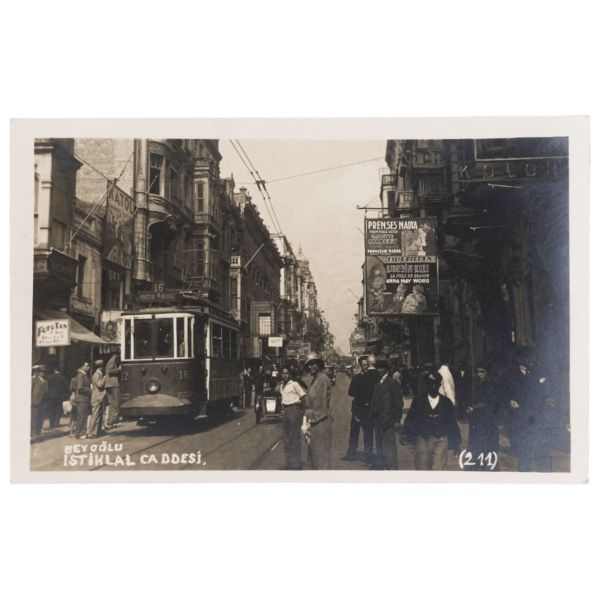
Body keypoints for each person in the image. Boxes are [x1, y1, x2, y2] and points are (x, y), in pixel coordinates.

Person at [403, 371, 461, 470]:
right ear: (426, 385)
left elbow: (452, 423)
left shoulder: (446, 402)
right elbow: (411, 419)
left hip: (441, 440)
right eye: (430, 384)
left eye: (436, 384)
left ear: (439, 385)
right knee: (422, 469)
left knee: (438, 470)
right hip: (423, 439)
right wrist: (409, 437)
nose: (433, 386)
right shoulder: (418, 400)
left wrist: (456, 443)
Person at [505, 355, 550, 472]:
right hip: (523, 417)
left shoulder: (537, 375)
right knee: (526, 449)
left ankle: (541, 472)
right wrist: (512, 401)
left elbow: (541, 396)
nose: (522, 371)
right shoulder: (516, 376)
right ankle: (525, 470)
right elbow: (511, 393)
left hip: (535, 416)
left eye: (523, 368)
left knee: (538, 449)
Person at [369, 355, 404, 470]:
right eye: (377, 368)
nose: (379, 370)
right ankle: (384, 469)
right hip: (378, 421)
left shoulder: (393, 383)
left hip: (388, 422)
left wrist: (397, 420)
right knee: (381, 449)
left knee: (389, 450)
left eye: (381, 368)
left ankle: (392, 471)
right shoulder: (377, 383)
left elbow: (399, 404)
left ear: (386, 369)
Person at [465, 364, 501, 471]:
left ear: (487, 373)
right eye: (477, 372)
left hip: (487, 422)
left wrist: (474, 407)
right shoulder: (480, 385)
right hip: (479, 421)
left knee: (486, 447)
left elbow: (489, 402)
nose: (479, 374)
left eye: (482, 372)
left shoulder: (491, 386)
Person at [343, 354, 377, 462]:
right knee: (354, 433)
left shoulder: (373, 377)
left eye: (367, 365)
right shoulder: (357, 378)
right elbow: (350, 392)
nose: (365, 367)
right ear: (360, 366)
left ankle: (368, 455)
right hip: (357, 409)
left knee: (368, 433)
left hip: (368, 410)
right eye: (363, 365)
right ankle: (351, 453)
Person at [302, 353, 333, 469]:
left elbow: (320, 406)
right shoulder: (314, 380)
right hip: (314, 423)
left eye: (313, 364)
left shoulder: (323, 379)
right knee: (314, 461)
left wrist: (308, 423)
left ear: (319, 364)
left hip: (320, 423)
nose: (311, 367)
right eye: (308, 365)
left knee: (321, 462)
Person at [279, 366, 306, 470]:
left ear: (289, 374)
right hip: (286, 412)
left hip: (294, 410)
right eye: (283, 373)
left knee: (294, 438)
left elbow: (303, 396)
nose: (284, 375)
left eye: (286, 373)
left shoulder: (294, 384)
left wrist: (302, 412)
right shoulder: (282, 386)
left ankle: (296, 464)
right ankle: (289, 463)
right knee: (286, 439)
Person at [87, 359, 107, 438]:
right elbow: (100, 385)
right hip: (97, 398)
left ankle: (97, 432)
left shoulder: (98, 374)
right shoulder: (97, 375)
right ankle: (92, 433)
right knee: (95, 416)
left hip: (99, 397)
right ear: (101, 367)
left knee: (99, 416)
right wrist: (105, 378)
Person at [72, 362, 92, 439]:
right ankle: (79, 433)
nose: (88, 367)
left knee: (84, 416)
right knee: (81, 416)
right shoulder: (81, 375)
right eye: (87, 366)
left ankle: (82, 432)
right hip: (82, 399)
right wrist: (90, 390)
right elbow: (80, 388)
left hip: (84, 399)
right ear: (82, 366)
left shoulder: (84, 375)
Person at [31, 364, 48, 440]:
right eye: (41, 371)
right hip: (35, 401)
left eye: (44, 371)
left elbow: (45, 391)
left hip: (43, 402)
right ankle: (33, 433)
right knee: (34, 418)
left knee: (40, 418)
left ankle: (38, 432)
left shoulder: (44, 380)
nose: (42, 373)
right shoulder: (33, 379)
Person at [104, 352, 121, 429]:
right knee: (116, 404)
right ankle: (112, 421)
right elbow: (110, 371)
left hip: (108, 384)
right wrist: (119, 369)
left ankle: (109, 422)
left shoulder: (111, 360)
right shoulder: (113, 360)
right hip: (113, 384)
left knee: (112, 404)